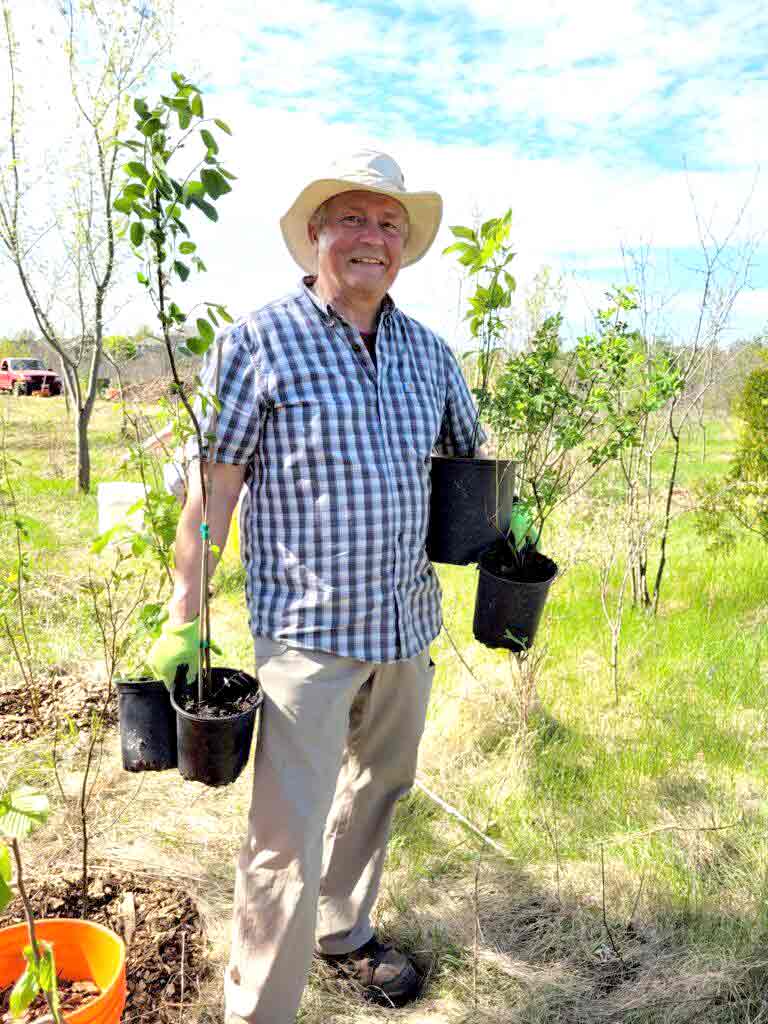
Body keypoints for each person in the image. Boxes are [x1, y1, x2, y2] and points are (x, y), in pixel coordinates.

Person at [148, 150, 486, 1024]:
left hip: (408, 623)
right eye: (352, 219)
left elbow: (471, 468)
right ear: (314, 235)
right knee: (282, 842)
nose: (371, 238)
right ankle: (260, 1010)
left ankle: (343, 928)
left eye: (388, 224)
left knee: (381, 786)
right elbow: (215, 487)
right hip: (306, 634)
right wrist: (186, 608)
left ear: (404, 247)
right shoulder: (258, 342)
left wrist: (509, 549)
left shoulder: (430, 353)